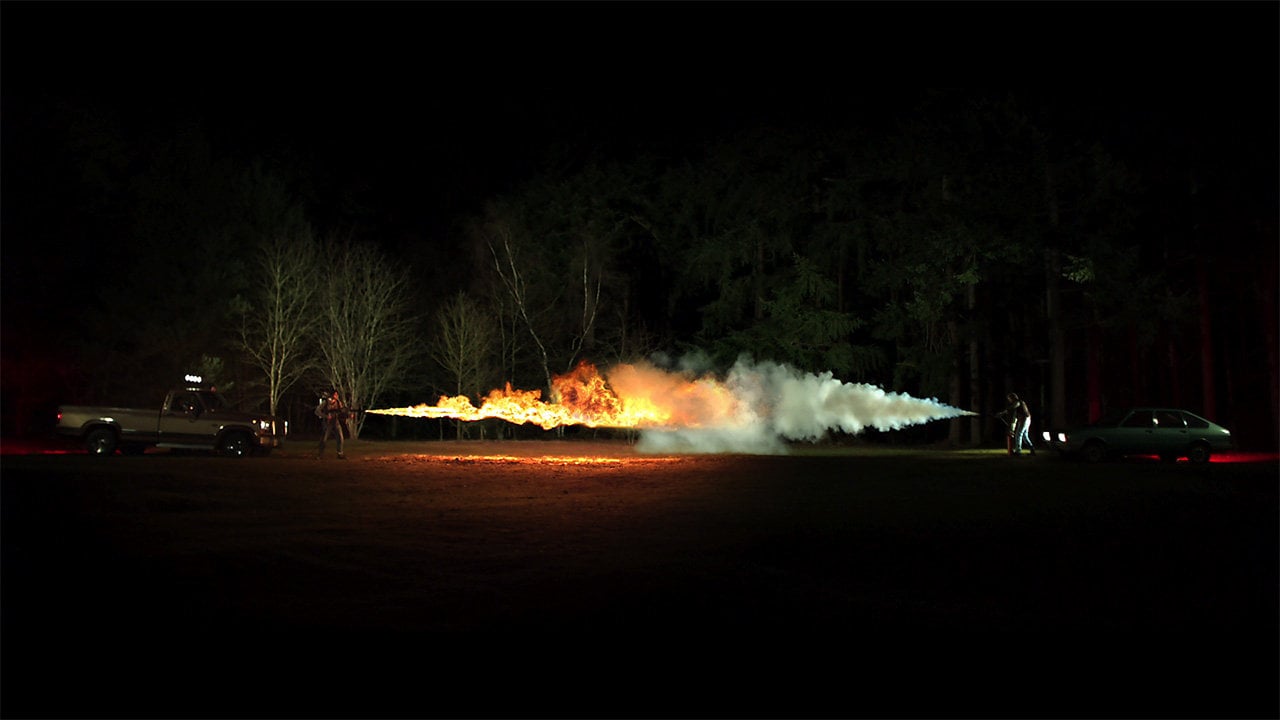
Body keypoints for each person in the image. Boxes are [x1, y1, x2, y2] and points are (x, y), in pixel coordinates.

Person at [316, 389, 348, 460]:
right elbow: (317, 411)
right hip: (327, 423)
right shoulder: (326, 402)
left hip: (335, 422)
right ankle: (320, 454)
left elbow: (342, 411)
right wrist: (326, 416)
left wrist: (347, 415)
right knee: (324, 439)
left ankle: (340, 453)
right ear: (332, 395)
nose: (337, 396)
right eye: (335, 394)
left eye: (337, 395)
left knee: (340, 438)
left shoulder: (338, 402)